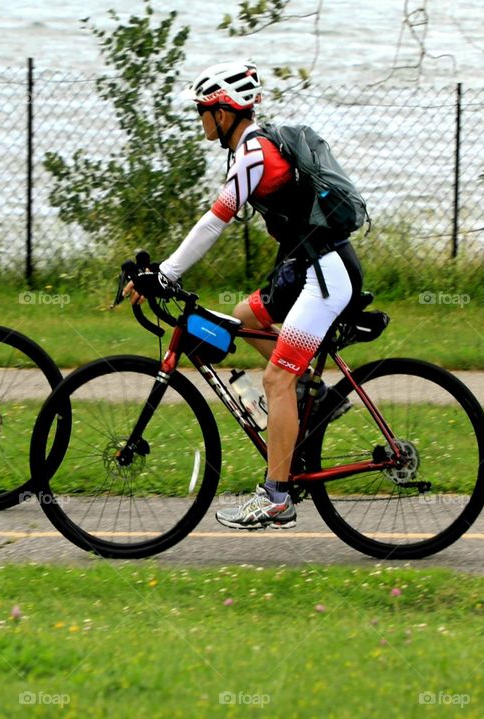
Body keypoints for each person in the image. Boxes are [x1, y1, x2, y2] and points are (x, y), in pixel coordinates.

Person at [125, 60, 363, 530]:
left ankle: (276, 497)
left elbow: (215, 220)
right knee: (246, 315)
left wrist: (166, 273)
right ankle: (317, 397)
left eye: (203, 110)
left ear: (224, 111)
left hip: (325, 275)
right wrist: (164, 272)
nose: (200, 120)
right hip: (305, 268)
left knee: (275, 380)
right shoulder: (251, 149)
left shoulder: (253, 151)